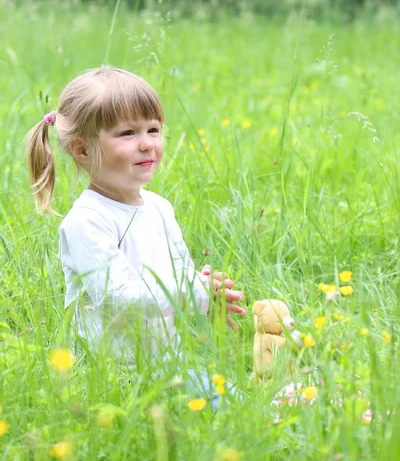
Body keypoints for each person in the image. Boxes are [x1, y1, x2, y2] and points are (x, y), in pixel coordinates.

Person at [26, 68, 246, 402]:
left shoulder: (159, 207)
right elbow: (118, 297)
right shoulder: (87, 220)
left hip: (165, 366)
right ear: (83, 150)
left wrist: (206, 294)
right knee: (227, 404)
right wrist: (192, 291)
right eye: (128, 133)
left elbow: (179, 271)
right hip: (111, 376)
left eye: (153, 129)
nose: (146, 144)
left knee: (235, 401)